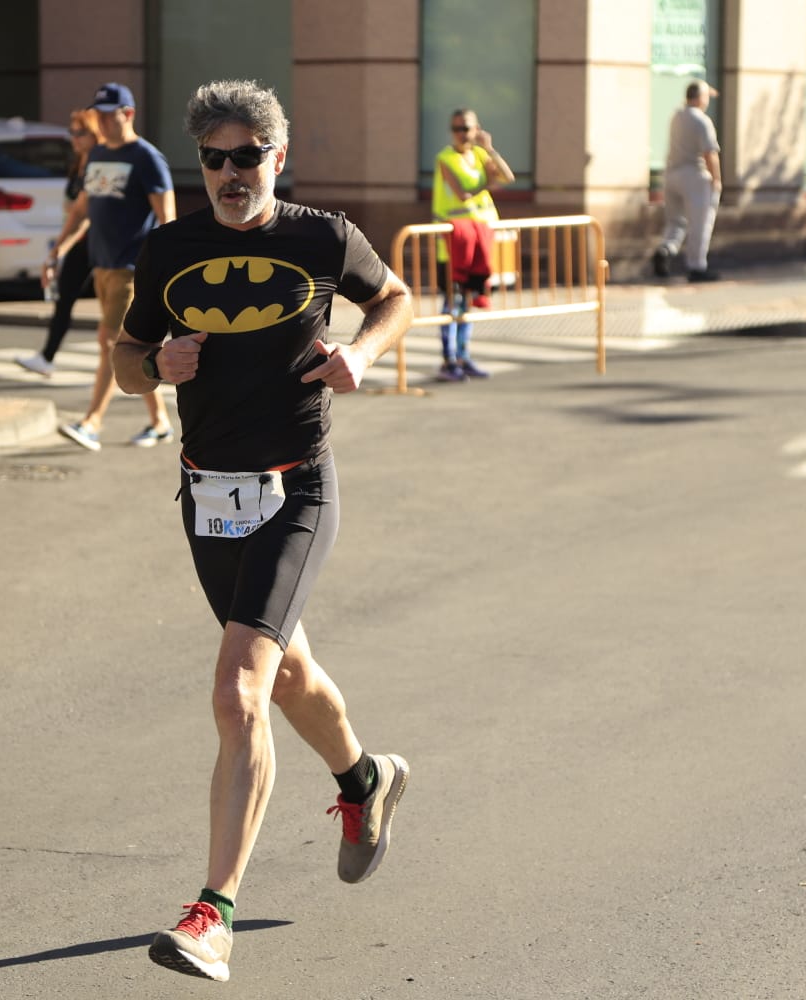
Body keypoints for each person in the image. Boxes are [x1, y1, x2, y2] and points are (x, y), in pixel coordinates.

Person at [114, 79, 414, 983]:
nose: (232, 172)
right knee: (287, 675)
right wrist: (152, 369)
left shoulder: (321, 237)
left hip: (296, 491)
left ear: (279, 159)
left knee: (239, 687)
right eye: (216, 158)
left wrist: (360, 352)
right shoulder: (169, 248)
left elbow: (396, 295)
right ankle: (365, 780)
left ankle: (213, 913)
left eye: (249, 156)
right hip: (208, 496)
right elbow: (128, 357)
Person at [58, 83, 175, 451]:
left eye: (110, 116)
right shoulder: (96, 157)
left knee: (111, 343)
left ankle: (92, 422)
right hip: (103, 267)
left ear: (128, 114)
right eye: (100, 116)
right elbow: (82, 210)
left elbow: (166, 218)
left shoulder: (146, 158)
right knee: (128, 347)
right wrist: (59, 249)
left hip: (131, 268)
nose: (103, 123)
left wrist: (163, 269)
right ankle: (159, 421)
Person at [431, 107, 513, 381]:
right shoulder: (445, 157)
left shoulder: (479, 154)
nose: (462, 134)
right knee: (451, 302)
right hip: (453, 241)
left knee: (467, 301)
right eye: (456, 129)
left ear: (477, 129)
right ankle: (448, 360)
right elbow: (462, 194)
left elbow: (507, 178)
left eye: (466, 128)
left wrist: (490, 150)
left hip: (478, 240)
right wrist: (487, 184)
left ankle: (464, 357)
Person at [16, 108, 98, 376]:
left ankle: (48, 356)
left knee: (112, 308)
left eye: (80, 132)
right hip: (78, 241)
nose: (74, 138)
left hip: (95, 241)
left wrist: (59, 249)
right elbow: (73, 211)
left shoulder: (99, 165)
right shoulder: (79, 164)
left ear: (94, 134)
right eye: (72, 132)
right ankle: (47, 356)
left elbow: (84, 214)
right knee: (65, 300)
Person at [652, 80, 722, 283]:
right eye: (707, 97)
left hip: (672, 175)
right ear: (700, 98)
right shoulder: (702, 120)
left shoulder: (677, 116)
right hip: (695, 176)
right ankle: (697, 266)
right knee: (701, 223)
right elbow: (710, 153)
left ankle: (665, 249)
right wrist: (716, 179)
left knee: (676, 222)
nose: (708, 101)